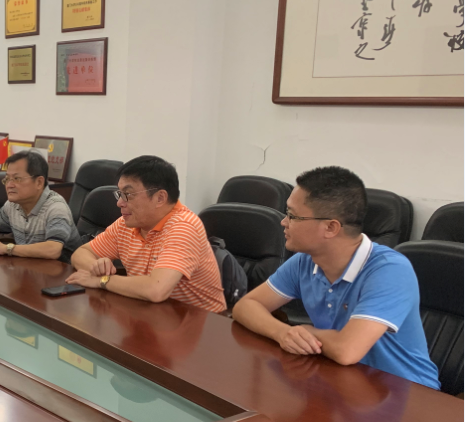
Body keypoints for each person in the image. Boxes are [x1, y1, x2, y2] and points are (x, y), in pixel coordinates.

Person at [232, 166, 440, 389]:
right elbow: (245, 306)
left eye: (293, 216)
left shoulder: (390, 270)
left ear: (331, 227)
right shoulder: (304, 261)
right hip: (343, 380)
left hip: (408, 393)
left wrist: (308, 332)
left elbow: (346, 350)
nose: (284, 222)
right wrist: (284, 333)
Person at [66, 156, 226, 312]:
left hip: (199, 322)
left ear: (160, 198)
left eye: (128, 194)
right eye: (119, 194)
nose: (119, 203)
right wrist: (96, 268)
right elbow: (81, 253)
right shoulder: (126, 224)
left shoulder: (184, 227)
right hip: (149, 312)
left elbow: (156, 290)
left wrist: (103, 280)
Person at [0, 150, 81, 261]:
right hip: (29, 267)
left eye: (17, 179)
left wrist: (7, 248)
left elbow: (53, 250)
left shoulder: (56, 207)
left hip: (64, 271)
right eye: (7, 179)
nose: (9, 185)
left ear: (39, 182)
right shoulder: (12, 205)